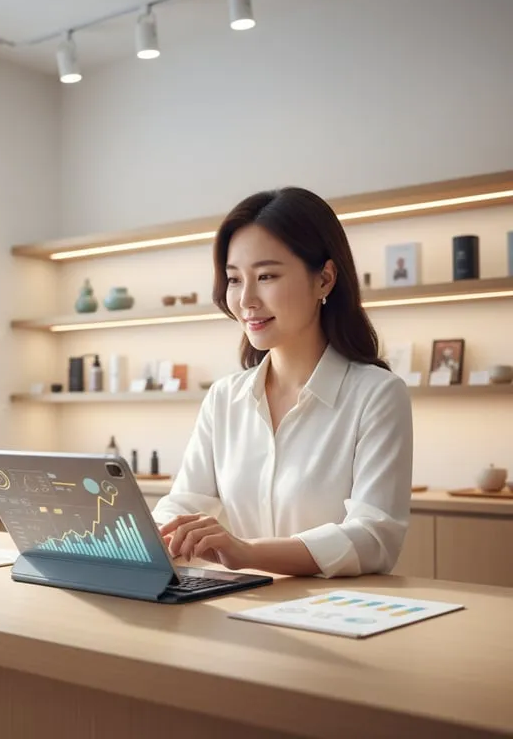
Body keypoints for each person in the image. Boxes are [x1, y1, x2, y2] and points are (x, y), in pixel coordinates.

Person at [152, 187, 413, 578]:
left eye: (267, 276)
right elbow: (184, 503)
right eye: (235, 279)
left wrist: (245, 551)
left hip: (337, 617)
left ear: (324, 279)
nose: (246, 300)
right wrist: (151, 534)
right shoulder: (224, 398)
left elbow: (374, 538)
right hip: (235, 613)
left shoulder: (377, 395)